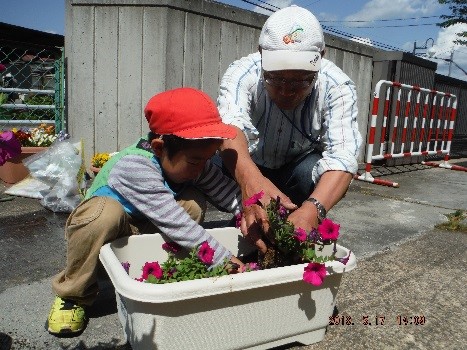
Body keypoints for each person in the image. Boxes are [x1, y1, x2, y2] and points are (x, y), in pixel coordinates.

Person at [47, 87, 244, 335]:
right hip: (104, 237)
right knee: (105, 214)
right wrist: (222, 260)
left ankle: (161, 271)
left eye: (208, 159)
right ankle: (74, 294)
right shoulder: (134, 165)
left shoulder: (194, 162)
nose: (202, 167)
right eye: (196, 161)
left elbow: (227, 193)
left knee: (192, 203)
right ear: (159, 148)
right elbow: (175, 222)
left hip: (142, 231)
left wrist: (254, 214)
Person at [217, 5, 362, 252]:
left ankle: (297, 217)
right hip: (253, 163)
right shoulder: (242, 74)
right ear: (261, 53)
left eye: (301, 80)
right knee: (213, 155)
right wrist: (251, 183)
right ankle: (243, 212)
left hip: (295, 173)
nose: (286, 91)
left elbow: (344, 156)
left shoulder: (337, 86)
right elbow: (230, 128)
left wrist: (314, 209)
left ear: (321, 57)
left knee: (312, 170)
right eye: (275, 78)